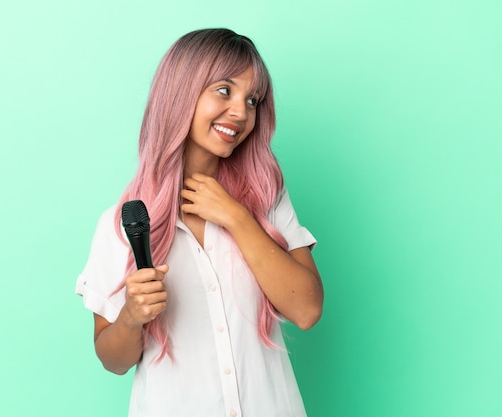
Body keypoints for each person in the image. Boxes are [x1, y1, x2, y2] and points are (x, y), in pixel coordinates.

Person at [75, 28, 324, 417]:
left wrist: (237, 217)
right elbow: (113, 360)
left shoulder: (265, 198)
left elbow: (307, 310)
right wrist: (131, 317)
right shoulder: (122, 224)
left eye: (252, 99)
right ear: (181, 92)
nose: (241, 112)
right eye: (224, 90)